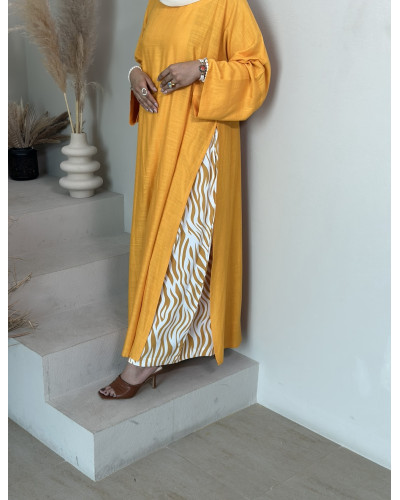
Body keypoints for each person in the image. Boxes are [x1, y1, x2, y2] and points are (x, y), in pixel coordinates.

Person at [99, 0, 271, 399]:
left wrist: (202, 68)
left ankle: (145, 358)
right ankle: (171, 340)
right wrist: (133, 75)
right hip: (158, 140)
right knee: (160, 243)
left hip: (200, 140)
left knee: (183, 245)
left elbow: (257, 71)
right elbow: (144, 57)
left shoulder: (227, 4)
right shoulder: (156, 5)